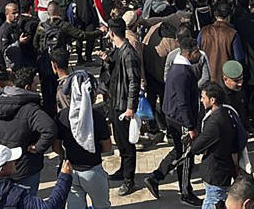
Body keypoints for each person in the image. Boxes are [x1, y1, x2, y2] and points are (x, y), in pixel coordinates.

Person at [145, 37, 203, 205]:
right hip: (181, 120)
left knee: (178, 152)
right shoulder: (183, 72)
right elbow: (183, 102)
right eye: (197, 52)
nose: (198, 54)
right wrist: (190, 126)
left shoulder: (177, 68)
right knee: (186, 157)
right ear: (190, 53)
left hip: (173, 116)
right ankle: (185, 192)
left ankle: (155, 177)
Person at [0, 66, 56, 195]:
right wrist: (38, 147)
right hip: (27, 167)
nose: (38, 88)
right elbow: (50, 129)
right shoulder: (31, 109)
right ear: (27, 88)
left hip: (2, 165)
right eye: (36, 85)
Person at [53, 71, 112, 209]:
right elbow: (107, 147)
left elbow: (56, 147)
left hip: (70, 172)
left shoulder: (62, 116)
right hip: (93, 171)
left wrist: (65, 155)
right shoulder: (97, 117)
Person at [99, 17, 140, 196]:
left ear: (112, 33)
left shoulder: (128, 53)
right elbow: (115, 71)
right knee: (120, 141)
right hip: (115, 103)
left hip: (124, 106)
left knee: (127, 145)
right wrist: (107, 60)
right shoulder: (117, 51)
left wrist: (131, 106)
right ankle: (123, 170)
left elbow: (133, 81)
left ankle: (129, 180)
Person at [0, 144, 73, 209]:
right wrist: (64, 177)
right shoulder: (14, 195)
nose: (15, 162)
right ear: (2, 169)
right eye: (11, 161)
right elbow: (49, 207)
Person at [190, 82, 239, 209]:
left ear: (212, 100)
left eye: (203, 97)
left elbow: (196, 147)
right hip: (222, 170)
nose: (201, 100)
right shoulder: (226, 114)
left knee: (212, 201)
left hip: (216, 172)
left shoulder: (214, 122)